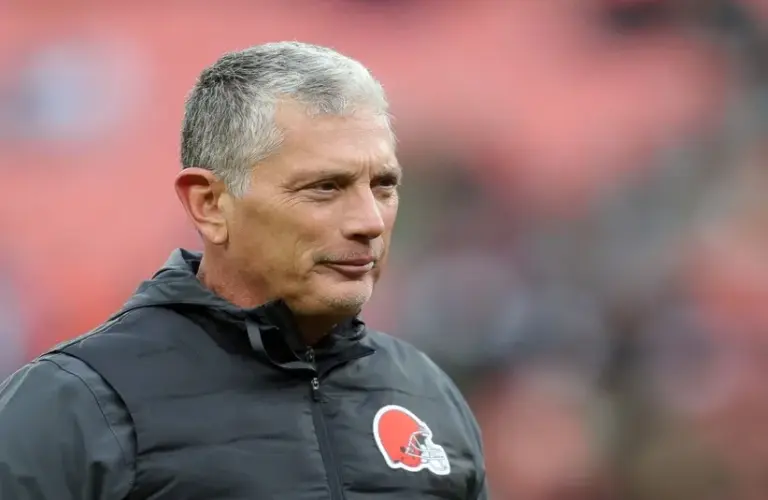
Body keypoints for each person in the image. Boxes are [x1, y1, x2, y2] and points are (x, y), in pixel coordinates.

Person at [0, 42, 488, 499]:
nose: (369, 221)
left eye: (383, 186)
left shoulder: (427, 393)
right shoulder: (75, 404)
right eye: (324, 187)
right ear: (210, 204)